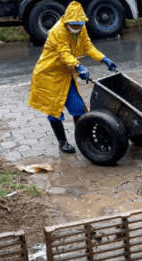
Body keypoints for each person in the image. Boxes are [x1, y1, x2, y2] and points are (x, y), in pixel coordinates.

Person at [29, 1, 117, 154]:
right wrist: (78, 66)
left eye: (79, 25)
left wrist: (104, 59)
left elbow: (88, 47)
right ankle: (62, 143)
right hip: (49, 75)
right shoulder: (57, 31)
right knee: (54, 110)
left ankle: (84, 139)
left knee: (78, 108)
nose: (77, 29)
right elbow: (64, 54)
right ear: (67, 21)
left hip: (66, 74)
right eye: (74, 26)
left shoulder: (81, 29)